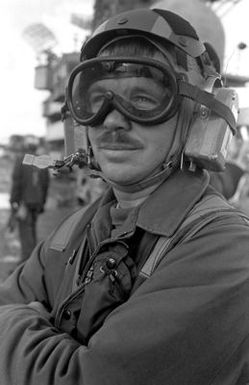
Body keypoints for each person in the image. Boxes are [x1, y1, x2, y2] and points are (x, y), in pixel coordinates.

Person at [0, 8, 249, 385]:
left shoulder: (227, 249)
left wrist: (20, 321)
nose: (112, 119)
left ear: (199, 118)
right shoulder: (74, 230)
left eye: (145, 99)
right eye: (97, 99)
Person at [9, 135, 50, 261]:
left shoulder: (22, 159)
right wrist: (42, 202)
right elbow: (45, 183)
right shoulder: (40, 161)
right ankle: (32, 261)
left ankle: (27, 264)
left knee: (26, 233)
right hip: (36, 202)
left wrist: (14, 201)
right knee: (31, 229)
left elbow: (17, 182)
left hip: (25, 202)